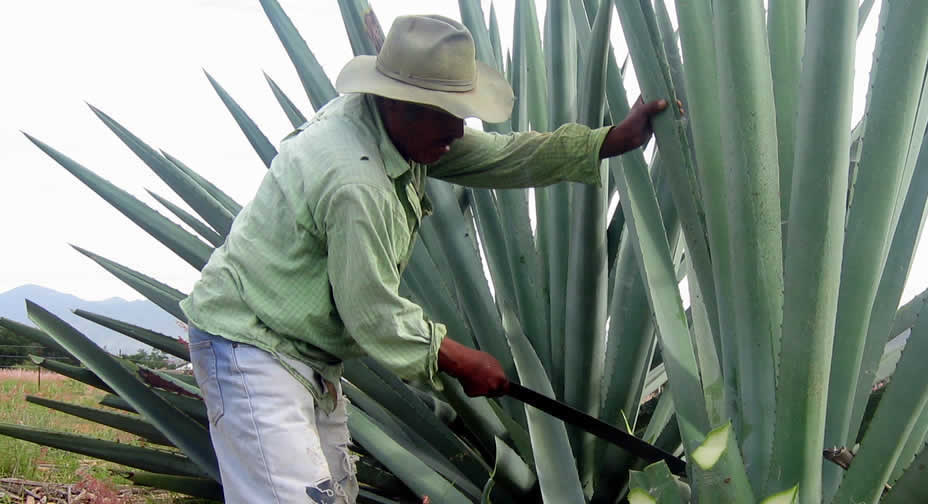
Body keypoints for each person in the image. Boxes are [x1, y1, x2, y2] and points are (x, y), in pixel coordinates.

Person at [179, 14, 670, 504]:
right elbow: (373, 314)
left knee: (333, 495)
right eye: (446, 113)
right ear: (400, 102)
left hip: (305, 352)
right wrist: (461, 359)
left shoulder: (401, 128)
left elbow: (501, 155)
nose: (458, 129)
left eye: (461, 111)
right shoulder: (356, 182)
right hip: (250, 345)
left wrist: (608, 141)